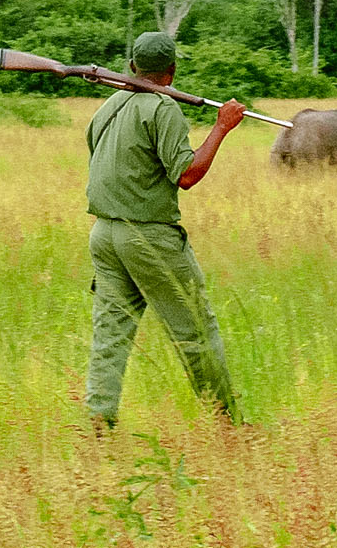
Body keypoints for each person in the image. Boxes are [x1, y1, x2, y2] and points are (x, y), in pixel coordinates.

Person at [84, 31, 249, 428]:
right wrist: (222, 127)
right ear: (172, 71)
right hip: (148, 238)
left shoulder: (109, 104)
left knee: (110, 335)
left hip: (104, 236)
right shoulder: (163, 108)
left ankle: (97, 423)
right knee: (194, 330)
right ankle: (228, 425)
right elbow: (187, 175)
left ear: (131, 67)